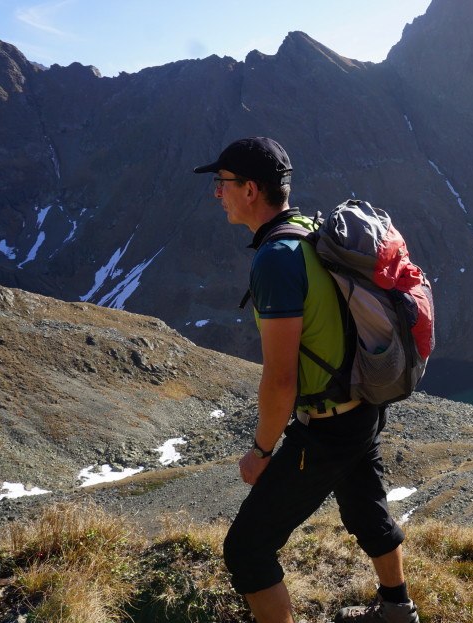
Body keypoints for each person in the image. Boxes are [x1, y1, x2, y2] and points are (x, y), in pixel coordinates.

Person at [193, 137, 420, 623]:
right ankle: (398, 611)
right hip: (362, 405)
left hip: (327, 425)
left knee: (247, 551)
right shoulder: (310, 228)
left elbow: (280, 381)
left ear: (250, 189)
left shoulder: (277, 258)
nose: (217, 192)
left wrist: (260, 452)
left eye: (223, 183)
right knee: (366, 509)